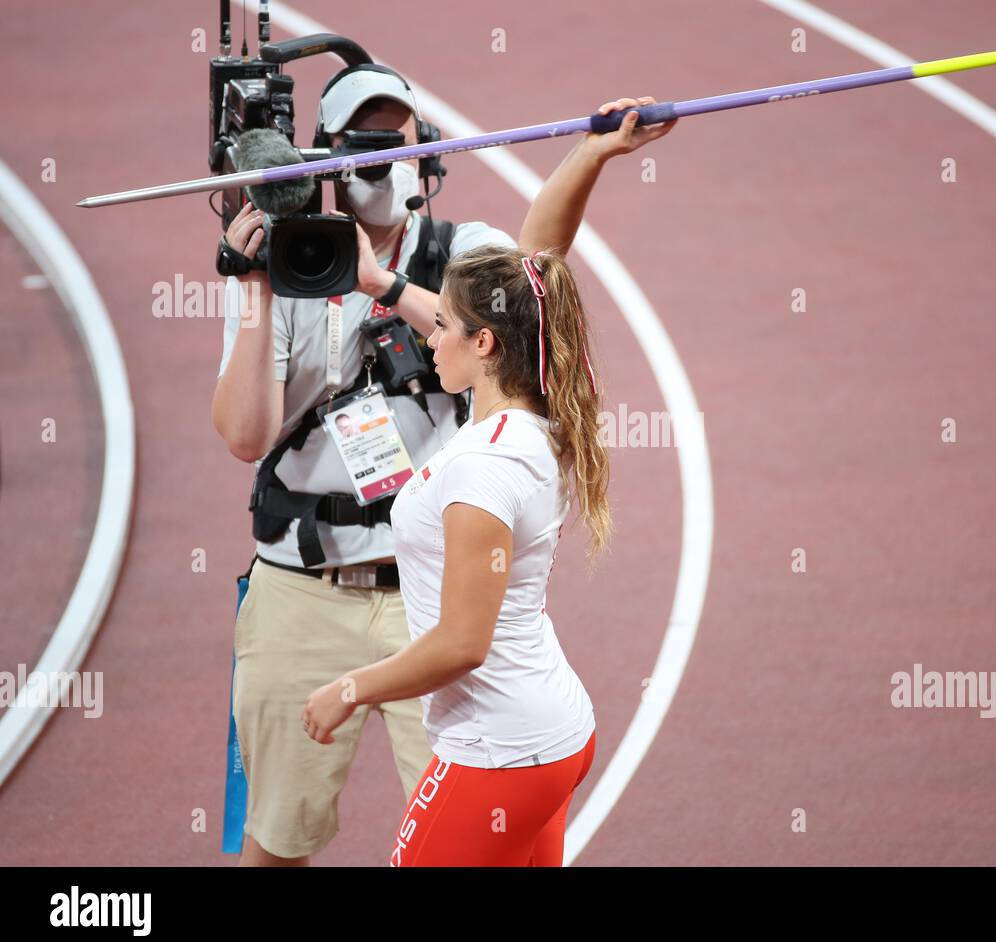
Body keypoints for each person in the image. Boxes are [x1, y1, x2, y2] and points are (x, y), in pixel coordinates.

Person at [214, 60, 676, 867]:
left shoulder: (464, 265)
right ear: (321, 157)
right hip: (304, 588)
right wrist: (256, 284)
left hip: (426, 604)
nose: (375, 159)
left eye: (392, 139)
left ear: (424, 152)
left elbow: (535, 268)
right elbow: (246, 436)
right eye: (356, 142)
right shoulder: (284, 273)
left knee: (459, 833)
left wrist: (383, 282)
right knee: (277, 837)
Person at [303, 241, 608, 866]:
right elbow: (533, 281)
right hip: (552, 736)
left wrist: (351, 688)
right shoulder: (526, 425)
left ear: (485, 344)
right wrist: (378, 280)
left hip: (500, 748)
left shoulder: (483, 465)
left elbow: (463, 643)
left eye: (443, 325)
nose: (428, 338)